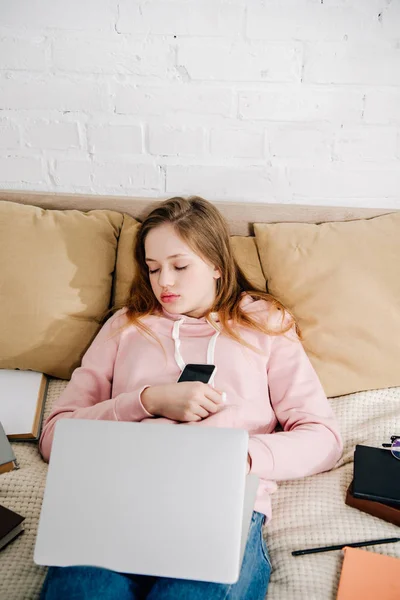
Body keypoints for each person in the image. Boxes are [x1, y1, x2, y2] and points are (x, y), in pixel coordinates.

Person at [39, 196, 343, 600]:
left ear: (217, 264)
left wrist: (241, 455)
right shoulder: (125, 327)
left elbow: (323, 438)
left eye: (180, 266)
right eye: (152, 268)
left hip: (217, 503)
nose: (164, 282)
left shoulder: (265, 323)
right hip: (118, 498)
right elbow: (54, 437)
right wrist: (146, 401)